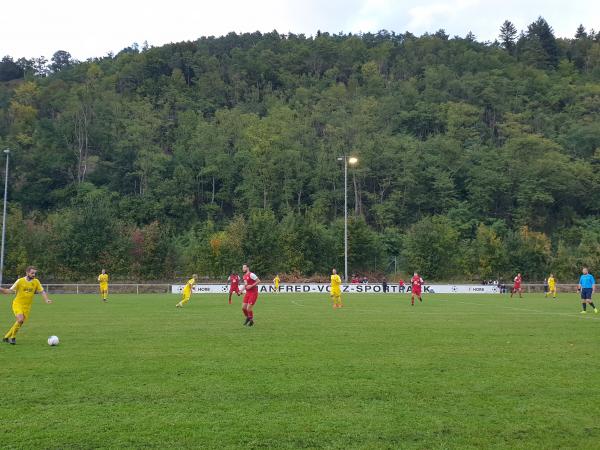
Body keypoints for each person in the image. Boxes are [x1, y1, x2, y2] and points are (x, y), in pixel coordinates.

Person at [2, 266, 52, 345]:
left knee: (19, 322)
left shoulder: (36, 282)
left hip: (27, 307)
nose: (34, 274)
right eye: (32, 273)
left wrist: (46, 299)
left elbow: (42, 291)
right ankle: (13, 338)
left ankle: (6, 337)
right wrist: (1, 289)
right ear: (27, 273)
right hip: (18, 304)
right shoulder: (20, 281)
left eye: (35, 273)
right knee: (20, 319)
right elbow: (9, 291)